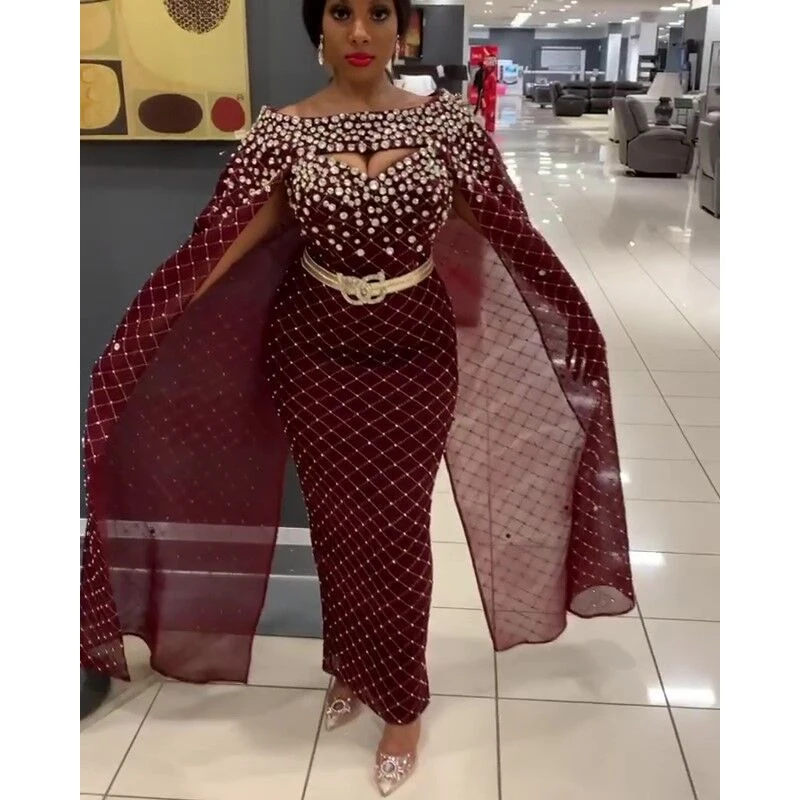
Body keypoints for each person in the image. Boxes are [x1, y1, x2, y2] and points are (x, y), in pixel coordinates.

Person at [79, 0, 634, 795]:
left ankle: (402, 702)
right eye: (341, 12)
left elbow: (509, 229)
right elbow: (222, 240)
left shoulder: (447, 127)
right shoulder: (281, 133)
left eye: (379, 12)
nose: (362, 31)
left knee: (400, 528)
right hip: (313, 354)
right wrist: (147, 327)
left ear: (403, 27)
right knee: (339, 525)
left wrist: (571, 314)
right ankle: (350, 665)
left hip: (415, 353)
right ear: (321, 30)